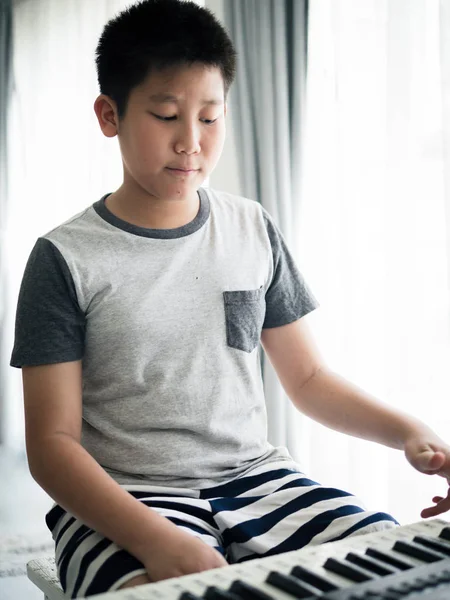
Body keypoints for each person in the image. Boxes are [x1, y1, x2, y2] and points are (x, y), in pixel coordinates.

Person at [10, 0, 450, 597]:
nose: (191, 141)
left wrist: (409, 431)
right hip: (125, 497)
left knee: (396, 566)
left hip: (263, 481)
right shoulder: (63, 259)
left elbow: (310, 378)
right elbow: (51, 444)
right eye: (166, 114)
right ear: (109, 114)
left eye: (210, 118)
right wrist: (156, 539)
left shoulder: (252, 228)